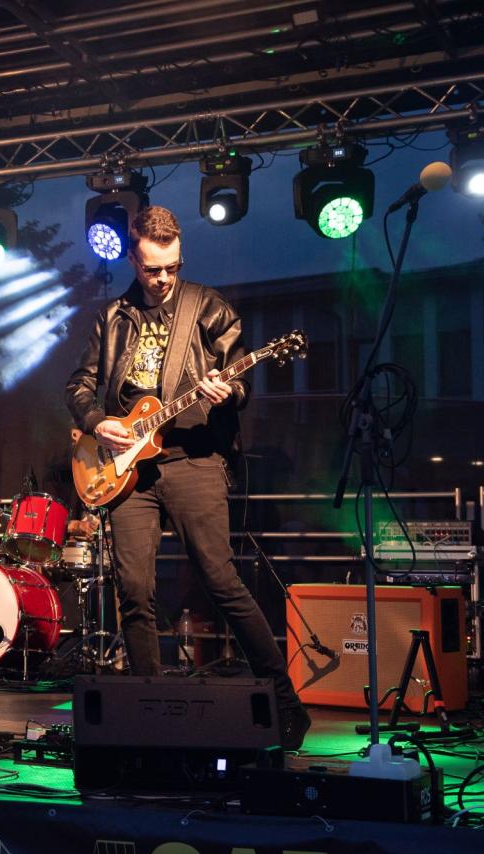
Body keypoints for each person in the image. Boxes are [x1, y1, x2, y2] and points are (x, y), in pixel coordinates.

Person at [65, 206, 310, 750]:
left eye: (172, 267)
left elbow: (241, 377)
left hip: (194, 458)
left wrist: (228, 392)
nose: (163, 278)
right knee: (133, 590)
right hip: (129, 470)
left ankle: (284, 700)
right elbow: (78, 385)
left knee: (220, 581)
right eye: (152, 269)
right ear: (134, 260)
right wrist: (98, 422)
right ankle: (150, 711)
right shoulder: (113, 317)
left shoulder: (207, 306)